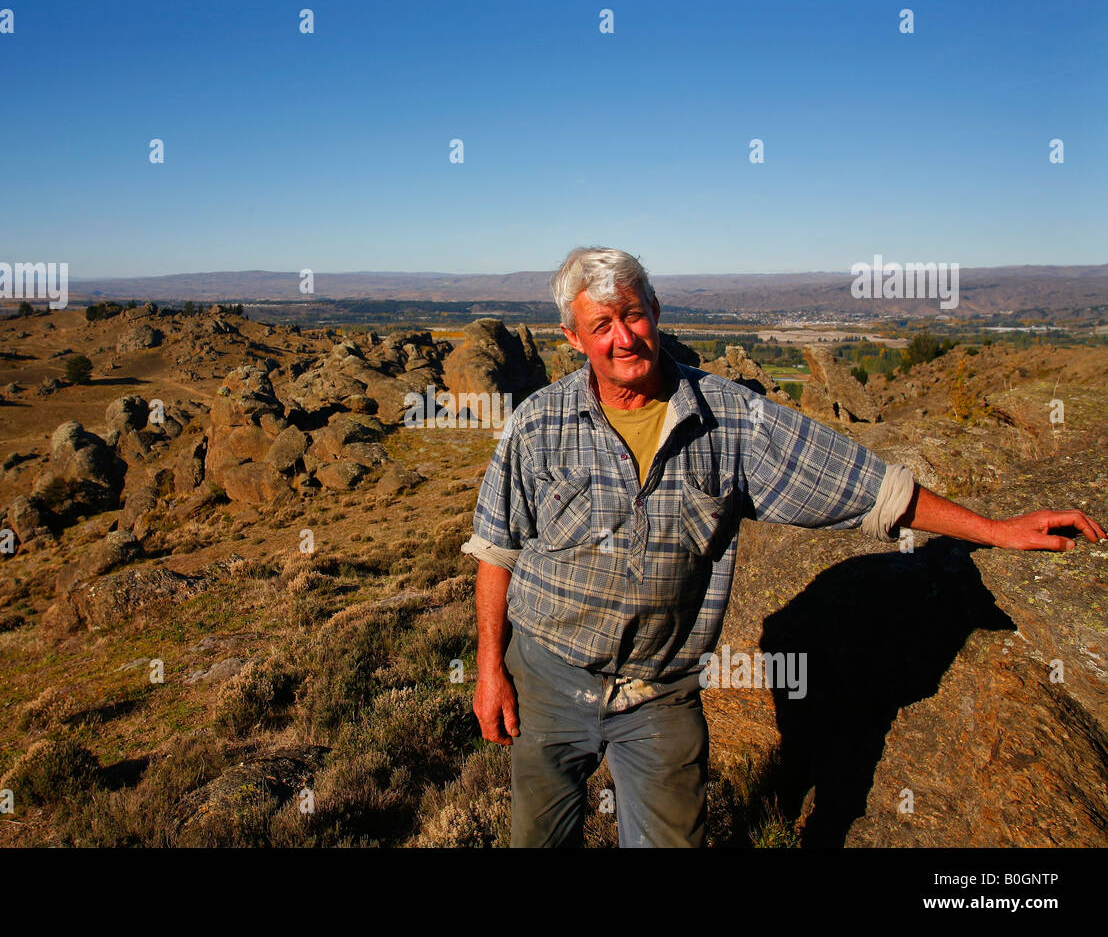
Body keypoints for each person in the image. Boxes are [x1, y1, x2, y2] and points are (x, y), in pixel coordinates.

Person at [460, 245, 1105, 848]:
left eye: (633, 315)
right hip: (548, 675)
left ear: (656, 311)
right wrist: (491, 668)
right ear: (573, 338)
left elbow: (863, 484)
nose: (623, 338)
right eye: (601, 325)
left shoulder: (730, 420)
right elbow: (497, 548)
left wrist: (994, 530)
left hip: (661, 693)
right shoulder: (538, 423)